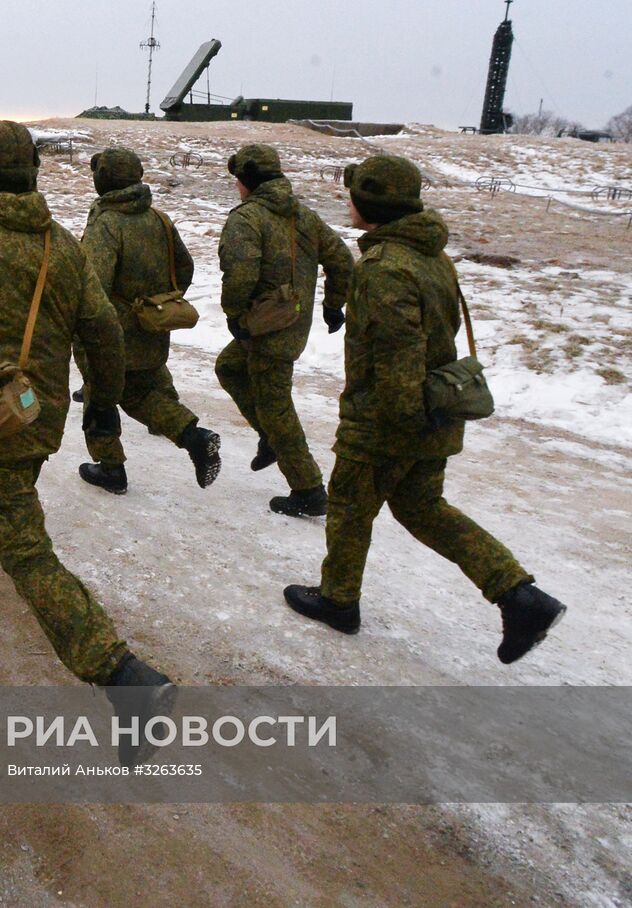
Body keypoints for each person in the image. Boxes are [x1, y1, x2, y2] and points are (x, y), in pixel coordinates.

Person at [0, 120, 174, 765]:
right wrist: (102, 402)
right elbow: (103, 330)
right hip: (37, 415)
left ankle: (122, 676)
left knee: (24, 547)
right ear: (31, 170)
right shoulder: (61, 243)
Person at [283, 154, 567, 664]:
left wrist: (393, 426)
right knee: (422, 509)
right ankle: (519, 595)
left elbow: (397, 353)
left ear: (370, 204)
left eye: (353, 196)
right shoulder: (429, 254)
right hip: (435, 408)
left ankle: (338, 600)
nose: (346, 203)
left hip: (391, 419)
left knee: (349, 507)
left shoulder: (385, 267)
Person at [73, 146, 221, 494]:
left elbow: (92, 283)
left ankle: (111, 469)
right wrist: (154, 304)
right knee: (140, 394)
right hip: (152, 328)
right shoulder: (159, 218)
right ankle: (194, 436)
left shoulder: (107, 222)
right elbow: (184, 268)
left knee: (100, 398)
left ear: (103, 180)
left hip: (111, 332)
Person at [215, 144, 354, 516]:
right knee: (229, 368)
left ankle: (308, 488)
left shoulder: (248, 219)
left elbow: (241, 271)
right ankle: (269, 437)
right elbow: (342, 259)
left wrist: (233, 313)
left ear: (244, 181)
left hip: (263, 327)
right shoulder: (302, 216)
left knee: (277, 409)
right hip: (290, 322)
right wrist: (332, 305)